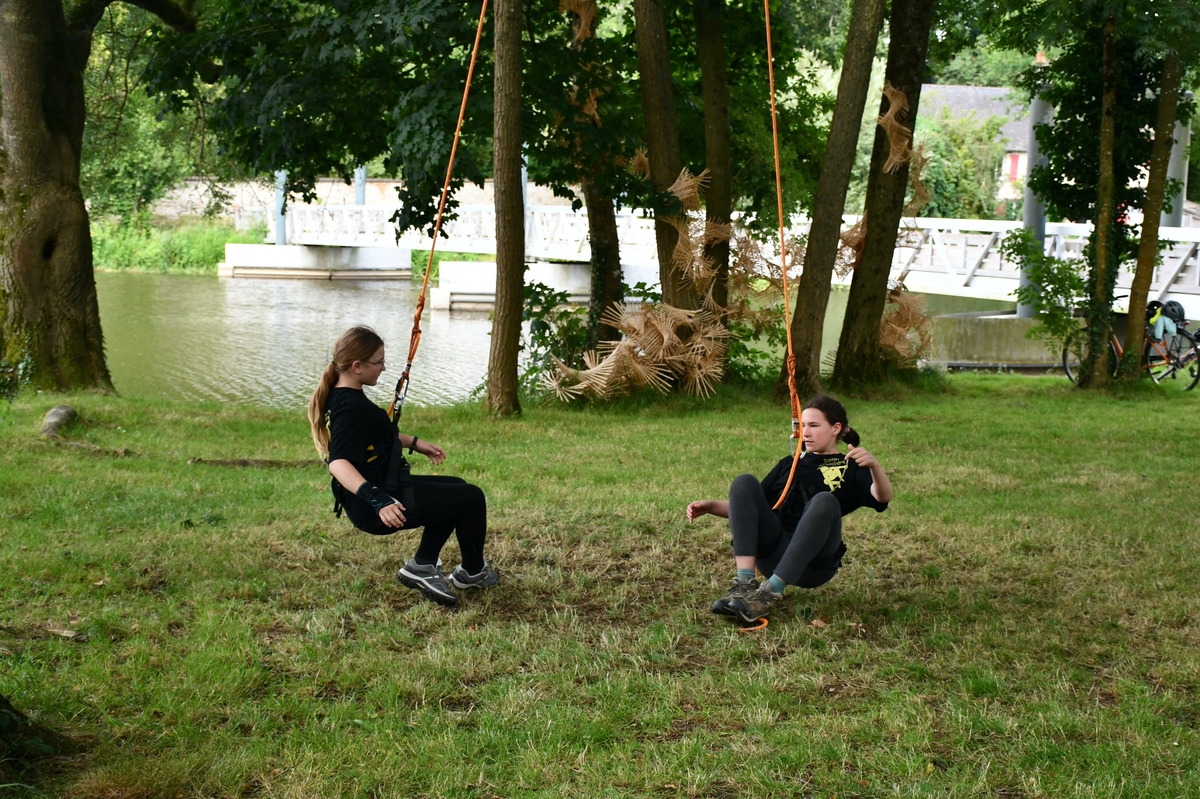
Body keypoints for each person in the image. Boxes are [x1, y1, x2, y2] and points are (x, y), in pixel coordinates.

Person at [308, 326, 498, 607]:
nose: (384, 368)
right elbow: (337, 463)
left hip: (387, 488)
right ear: (357, 366)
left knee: (457, 488)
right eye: (379, 362)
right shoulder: (350, 407)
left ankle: (424, 565)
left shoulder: (344, 395)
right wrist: (379, 500)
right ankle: (471, 572)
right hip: (378, 504)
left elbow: (377, 434)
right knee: (470, 497)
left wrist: (415, 443)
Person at [687, 395, 891, 623]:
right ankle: (744, 587)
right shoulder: (790, 462)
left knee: (824, 500)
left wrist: (874, 466)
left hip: (814, 564)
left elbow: (881, 498)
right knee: (744, 482)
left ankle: (767, 595)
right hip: (773, 552)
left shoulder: (851, 465)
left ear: (836, 428)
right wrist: (712, 506)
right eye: (802, 426)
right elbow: (752, 509)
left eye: (814, 425)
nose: (806, 432)